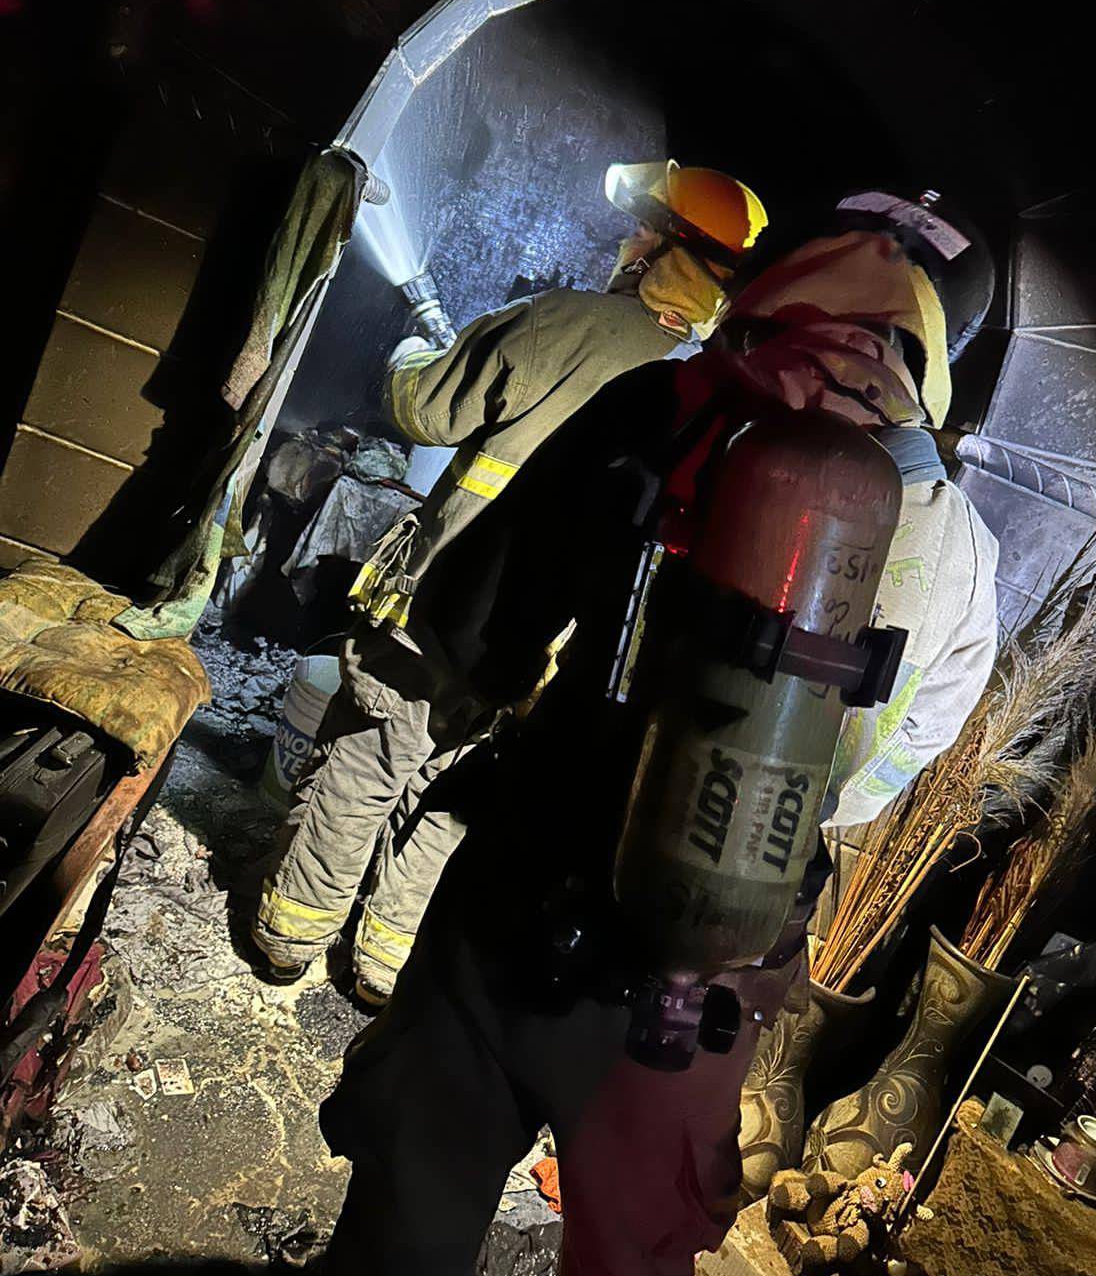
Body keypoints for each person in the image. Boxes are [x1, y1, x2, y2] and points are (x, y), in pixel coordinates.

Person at [313, 190, 1000, 1276]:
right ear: (940, 352)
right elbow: (882, 776)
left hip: (524, 899)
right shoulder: (960, 550)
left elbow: (473, 630)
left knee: (407, 1223)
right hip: (716, 966)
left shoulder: (661, 402)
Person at [251, 161, 769, 1003]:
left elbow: (428, 408)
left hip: (449, 599)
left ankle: (289, 934)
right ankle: (384, 966)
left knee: (372, 755)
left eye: (640, 228)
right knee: (444, 792)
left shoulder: (565, 321)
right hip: (544, 651)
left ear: (664, 255)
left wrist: (421, 345)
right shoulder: (696, 394)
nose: (624, 240)